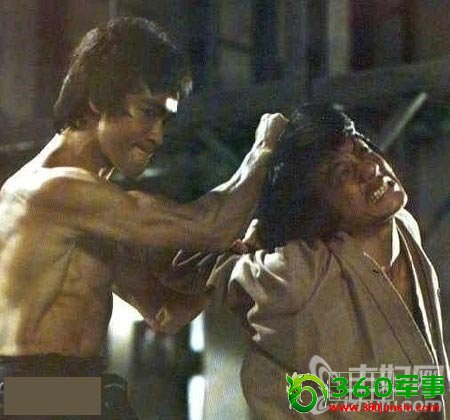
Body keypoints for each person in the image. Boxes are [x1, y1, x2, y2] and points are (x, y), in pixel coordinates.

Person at [0, 17, 287, 419]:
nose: (157, 136)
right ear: (97, 100)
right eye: (147, 112)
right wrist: (266, 149)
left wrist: (228, 260)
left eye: (164, 119)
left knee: (107, 399)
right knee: (107, 401)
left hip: (70, 390)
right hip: (25, 394)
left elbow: (165, 312)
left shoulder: (94, 214)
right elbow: (209, 227)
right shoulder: (53, 190)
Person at [156, 104, 450, 419]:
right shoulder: (297, 273)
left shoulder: (403, 226)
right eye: (343, 173)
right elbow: (183, 262)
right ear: (321, 209)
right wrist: (260, 161)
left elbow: (422, 388)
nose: (369, 168)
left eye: (362, 149)